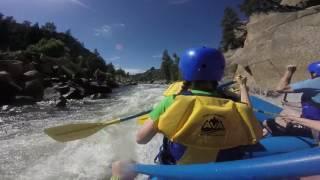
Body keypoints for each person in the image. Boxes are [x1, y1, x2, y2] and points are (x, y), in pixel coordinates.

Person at [111, 47, 263, 179]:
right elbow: (247, 112)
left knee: (119, 167)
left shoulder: (171, 101)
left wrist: (162, 124)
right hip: (223, 172)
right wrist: (242, 87)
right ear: (219, 72)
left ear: (185, 71)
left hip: (178, 171)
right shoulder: (234, 103)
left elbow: (141, 139)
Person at [264, 62, 320, 140]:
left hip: (314, 129)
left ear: (315, 73)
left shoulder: (315, 82)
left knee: (269, 123)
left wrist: (289, 71)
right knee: (285, 112)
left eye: (311, 73)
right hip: (312, 119)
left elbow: (280, 88)